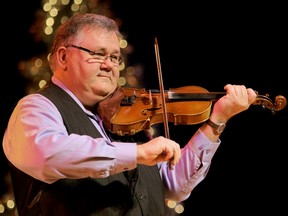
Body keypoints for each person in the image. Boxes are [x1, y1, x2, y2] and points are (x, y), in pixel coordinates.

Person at [2, 13, 257, 216]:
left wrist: (217, 121)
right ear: (63, 56)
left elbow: (173, 187)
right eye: (98, 54)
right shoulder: (36, 108)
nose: (109, 65)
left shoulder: (124, 117)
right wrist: (137, 153)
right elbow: (46, 154)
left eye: (115, 57)